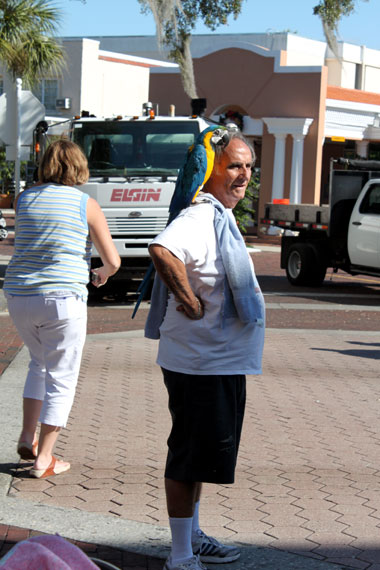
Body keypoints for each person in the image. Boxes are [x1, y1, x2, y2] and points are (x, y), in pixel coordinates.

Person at [145, 130, 265, 570]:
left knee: (201, 457)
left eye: (249, 167)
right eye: (235, 165)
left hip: (220, 361)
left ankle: (192, 536)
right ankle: (180, 556)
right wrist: (190, 300)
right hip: (199, 362)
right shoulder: (199, 216)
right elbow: (162, 249)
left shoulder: (220, 216)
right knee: (188, 455)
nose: (244, 176)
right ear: (211, 167)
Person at [4, 139, 120, 479]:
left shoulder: (25, 199)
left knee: (38, 364)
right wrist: (101, 274)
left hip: (19, 295)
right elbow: (112, 260)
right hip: (62, 297)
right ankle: (45, 458)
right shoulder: (86, 204)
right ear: (79, 166)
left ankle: (28, 436)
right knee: (62, 375)